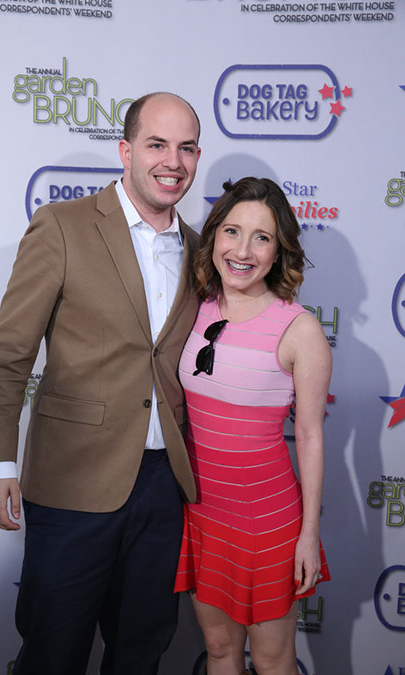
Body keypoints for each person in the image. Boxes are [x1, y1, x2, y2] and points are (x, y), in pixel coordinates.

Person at [0, 92, 201, 675]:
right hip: (73, 479)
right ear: (125, 150)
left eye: (186, 148)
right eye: (157, 144)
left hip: (163, 488)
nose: (172, 161)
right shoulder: (63, 225)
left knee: (141, 652)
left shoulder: (203, 250)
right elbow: (10, 353)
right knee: (53, 651)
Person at [174, 177, 331, 675]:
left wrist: (308, 535)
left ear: (278, 250)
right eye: (232, 232)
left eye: (261, 237)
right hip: (202, 516)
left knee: (272, 659)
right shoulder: (191, 308)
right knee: (219, 649)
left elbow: (310, 437)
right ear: (214, 235)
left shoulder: (299, 329)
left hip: (267, 524)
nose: (242, 251)